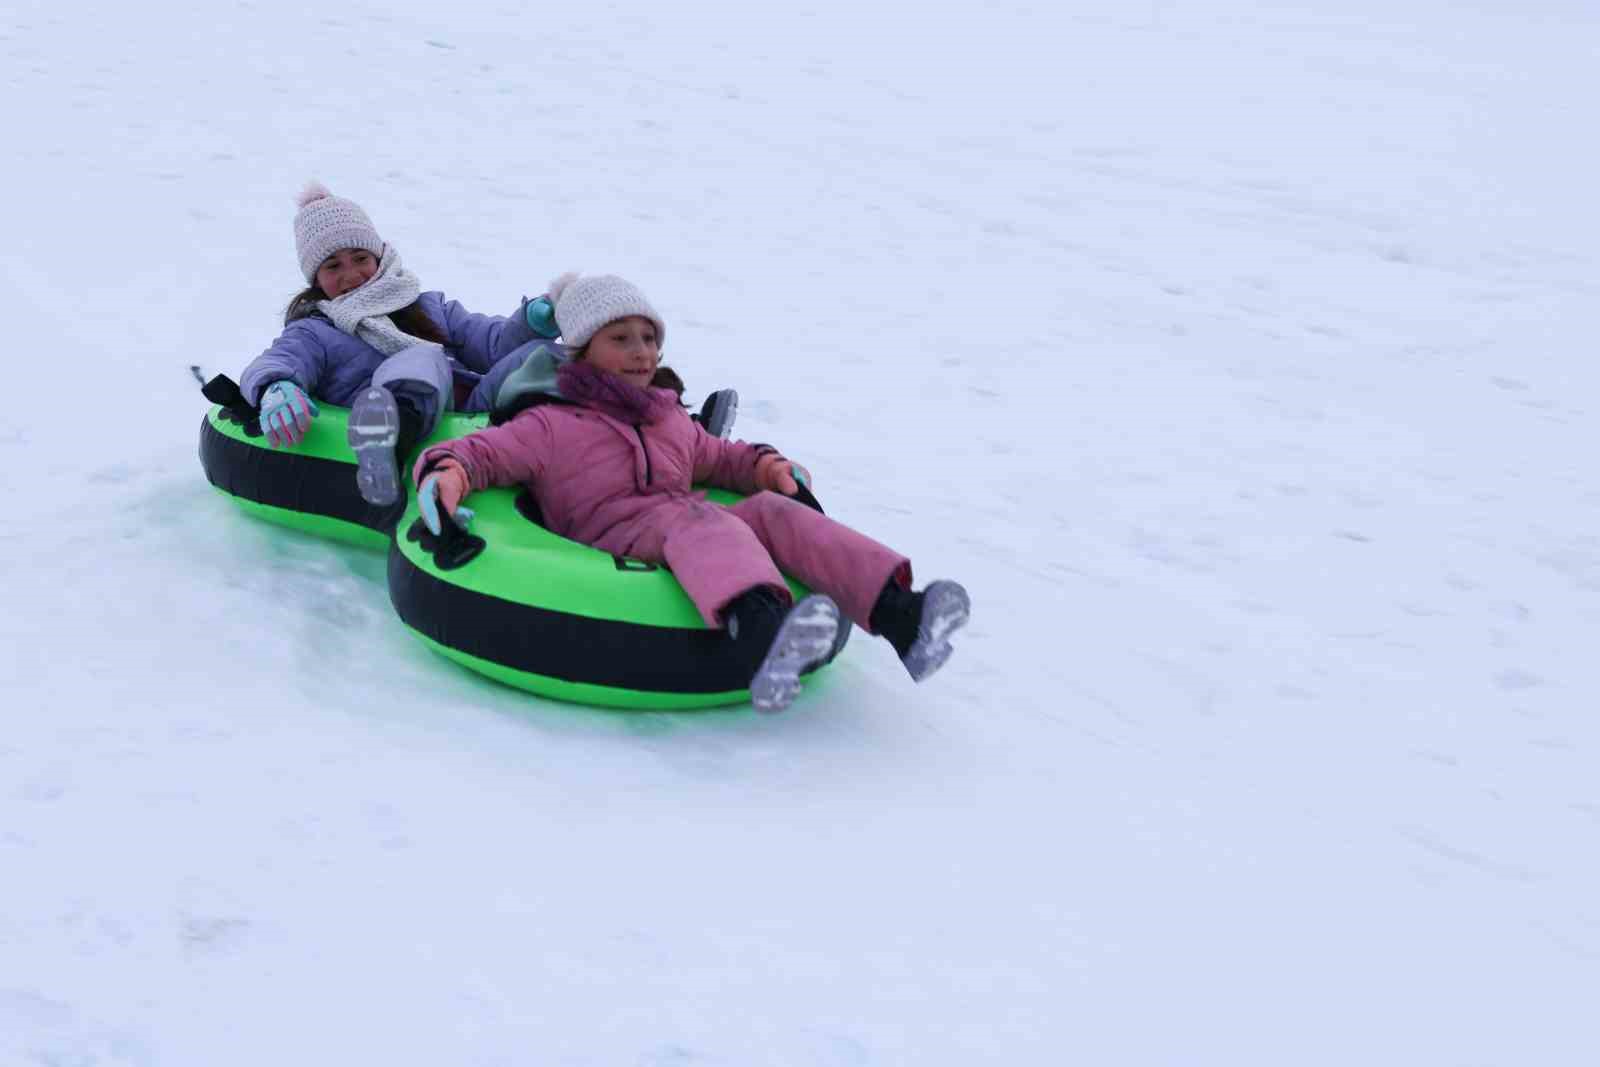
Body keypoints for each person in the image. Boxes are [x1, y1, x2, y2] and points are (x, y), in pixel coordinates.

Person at [410, 272, 972, 711]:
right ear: (581, 350)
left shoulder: (666, 417)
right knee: (706, 523)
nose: (641, 352)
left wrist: (768, 467)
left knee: (772, 513)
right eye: (621, 339)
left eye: (650, 338)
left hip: (679, 519)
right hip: (612, 534)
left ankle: (904, 617)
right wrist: (446, 476)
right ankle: (762, 636)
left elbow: (720, 459)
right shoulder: (552, 423)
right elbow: (481, 455)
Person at [237, 181, 564, 506]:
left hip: (473, 412)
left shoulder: (427, 306)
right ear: (316, 279)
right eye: (333, 266)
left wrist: (532, 320)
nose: (351, 275)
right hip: (414, 431)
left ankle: (589, 431)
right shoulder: (315, 331)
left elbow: (494, 345)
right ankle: (389, 444)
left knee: (541, 356)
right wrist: (276, 386)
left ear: (379, 256)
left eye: (360, 257)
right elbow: (276, 361)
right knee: (421, 357)